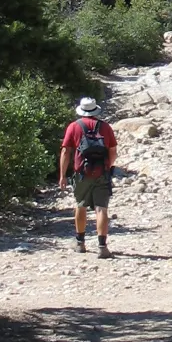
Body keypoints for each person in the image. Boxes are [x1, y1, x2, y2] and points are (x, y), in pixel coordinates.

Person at [59, 97, 117, 257]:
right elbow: (113, 151)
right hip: (102, 172)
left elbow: (65, 151)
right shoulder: (105, 127)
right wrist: (107, 167)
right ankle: (102, 247)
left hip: (81, 173)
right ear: (95, 110)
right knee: (101, 208)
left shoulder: (74, 126)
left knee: (80, 205)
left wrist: (62, 175)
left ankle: (80, 243)